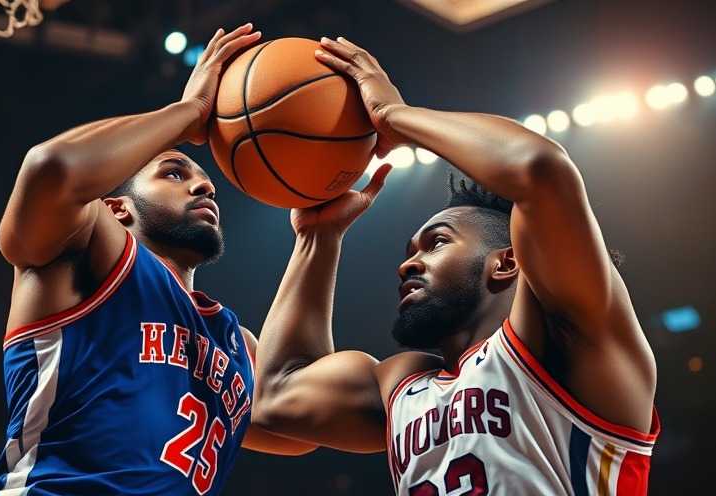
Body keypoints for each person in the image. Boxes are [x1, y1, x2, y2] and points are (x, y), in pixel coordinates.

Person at [251, 36, 659, 494]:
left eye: (436, 243)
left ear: (506, 263)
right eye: (410, 252)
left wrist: (395, 117)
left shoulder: (569, 338)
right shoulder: (402, 384)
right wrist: (317, 238)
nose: (408, 265)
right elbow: (275, 397)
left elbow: (540, 169)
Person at [0, 23, 319, 496]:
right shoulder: (93, 250)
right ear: (117, 209)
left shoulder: (238, 342)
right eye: (173, 172)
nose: (204, 185)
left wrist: (318, 238)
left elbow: (301, 423)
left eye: (203, 180)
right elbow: (50, 168)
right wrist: (186, 113)